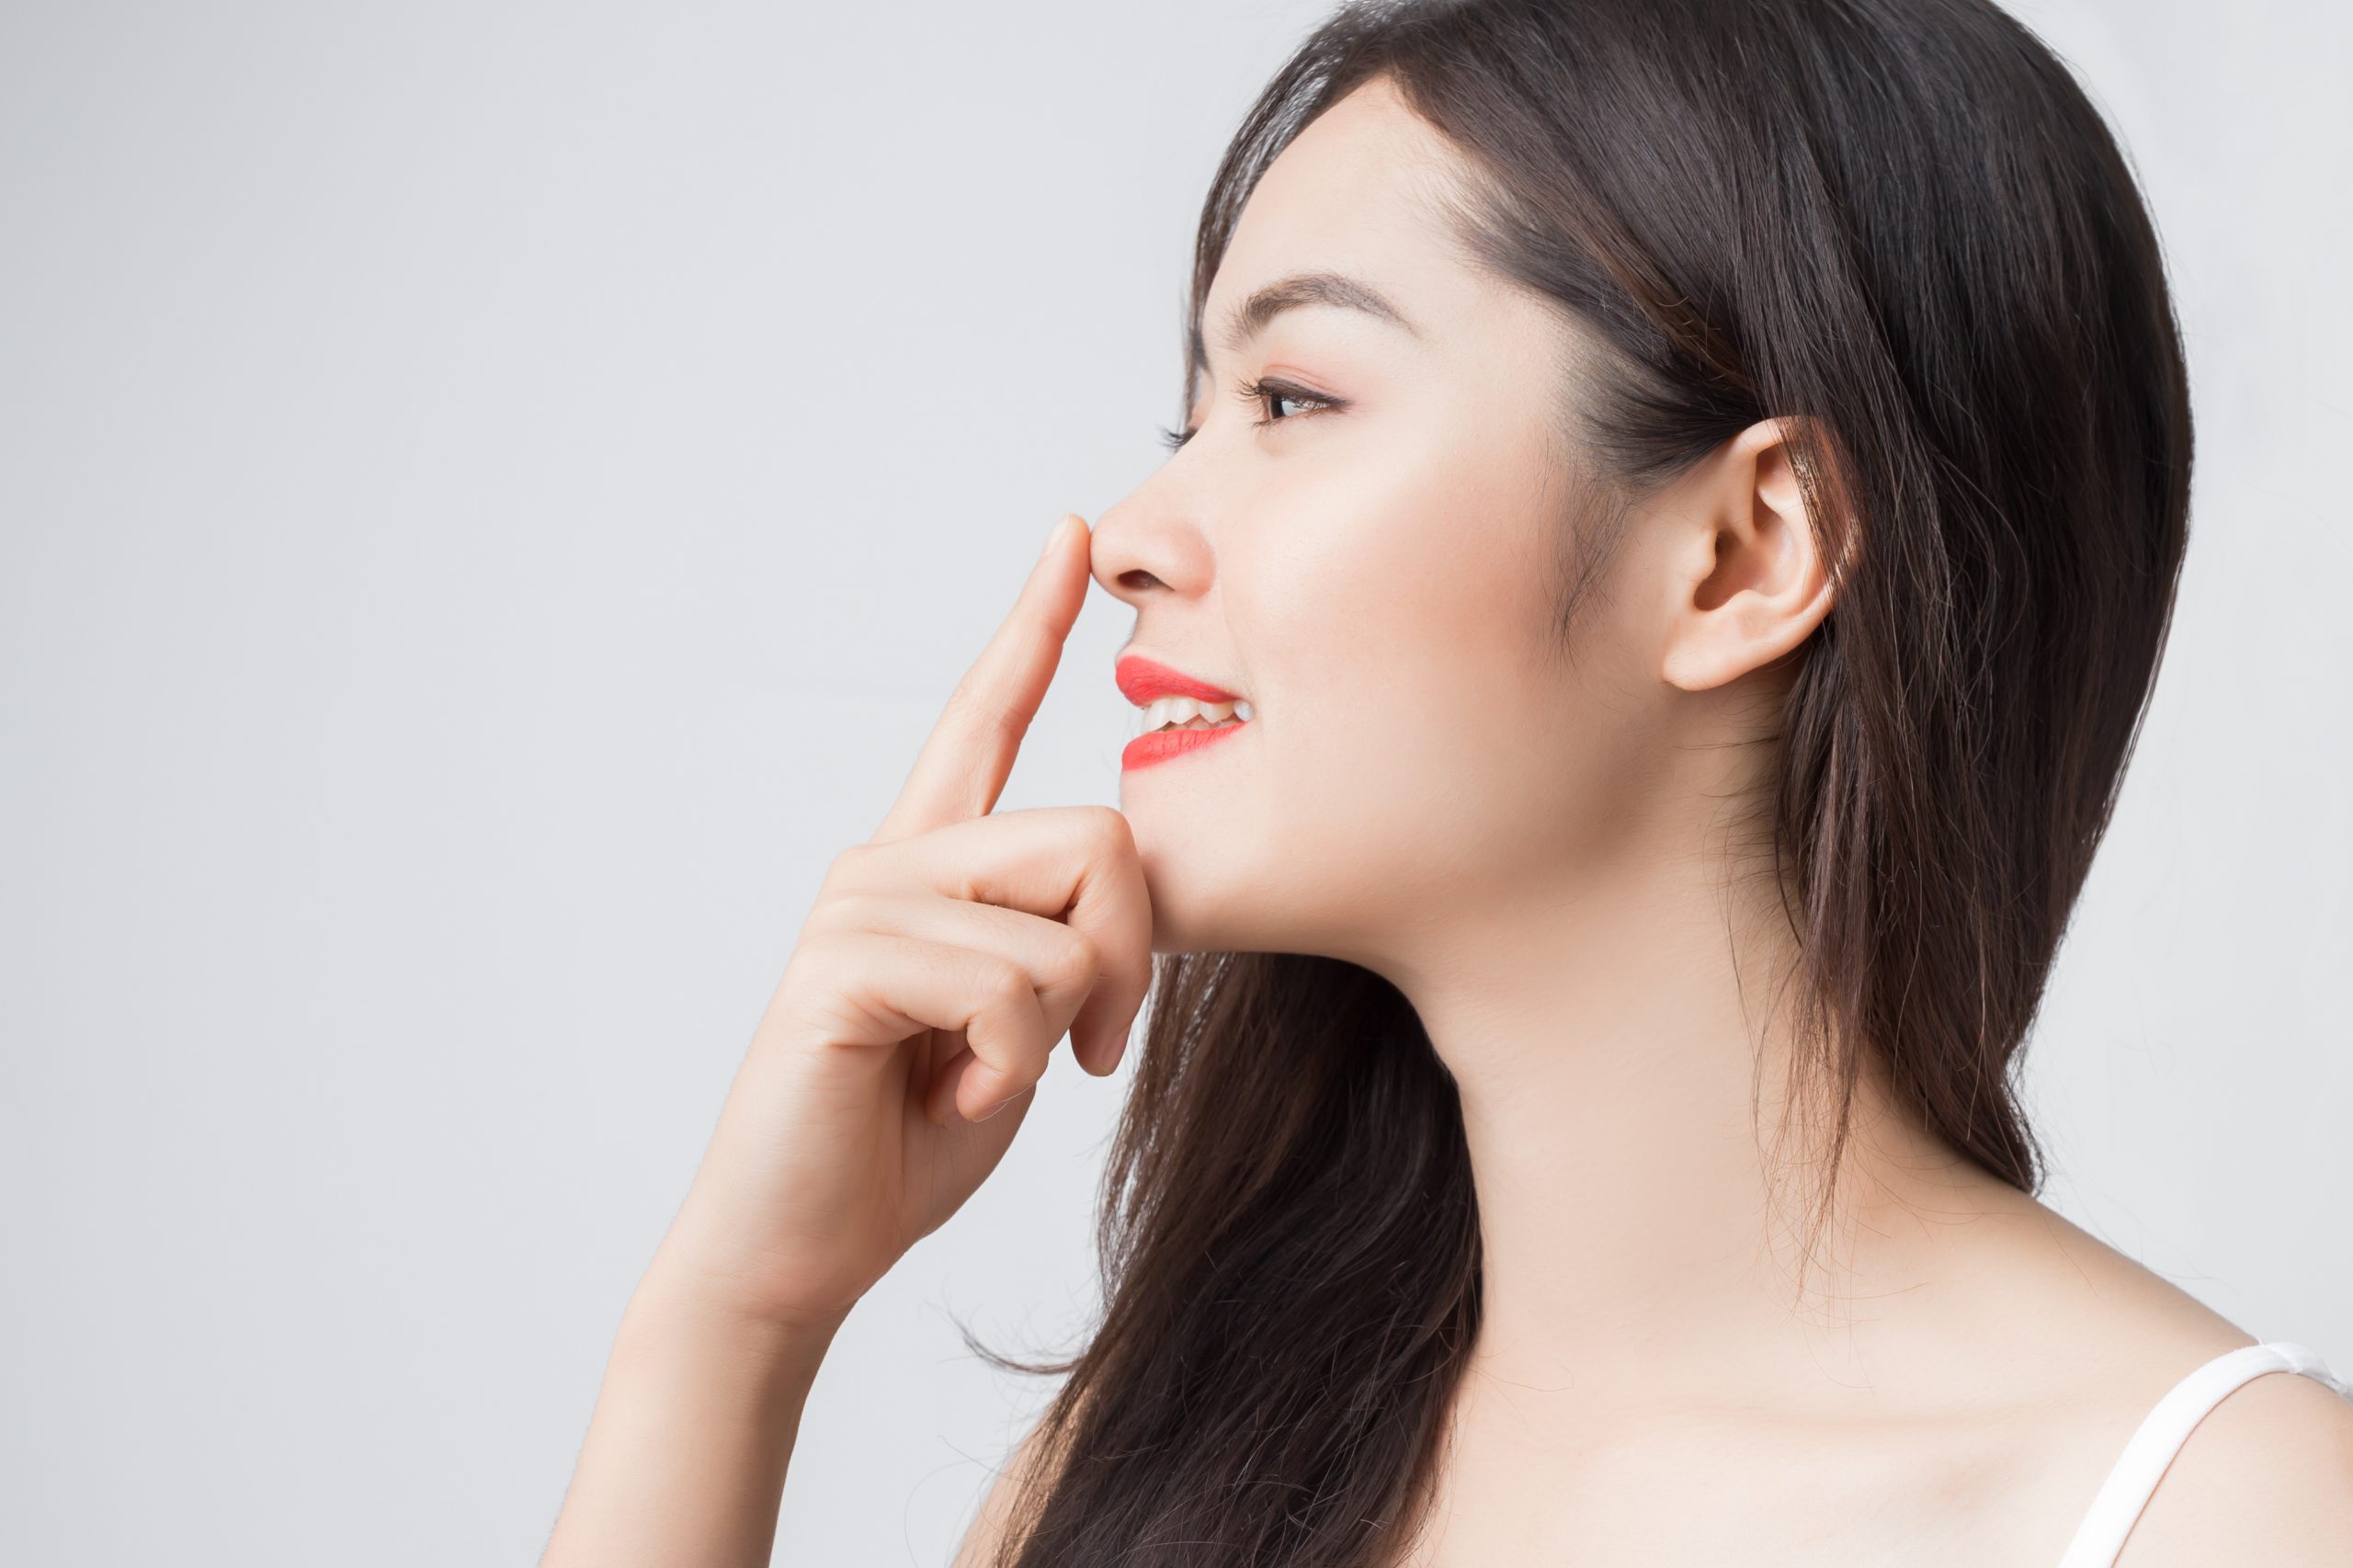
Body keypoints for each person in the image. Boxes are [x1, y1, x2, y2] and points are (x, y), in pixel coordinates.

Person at [538, 2, 2353, 1563]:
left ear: (1743, 552)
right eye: (1191, 415)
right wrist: (735, 1319)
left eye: (1292, 399)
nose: (1132, 534)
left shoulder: (2221, 1514)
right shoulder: (1169, 1459)